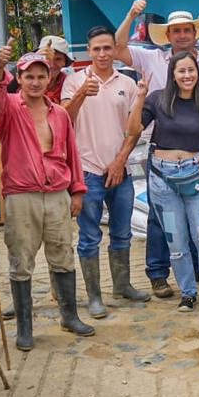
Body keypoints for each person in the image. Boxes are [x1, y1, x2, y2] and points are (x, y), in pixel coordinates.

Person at [0, 42, 94, 350]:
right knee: (21, 260)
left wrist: (77, 191)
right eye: (28, 76)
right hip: (22, 196)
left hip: (57, 194)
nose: (34, 82)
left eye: (40, 77)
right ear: (18, 78)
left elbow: (72, 153)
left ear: (49, 79)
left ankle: (69, 316)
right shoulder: (7, 109)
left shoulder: (58, 113)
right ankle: (25, 327)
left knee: (62, 255)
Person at [115, 0, 199, 297]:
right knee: (159, 217)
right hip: (161, 151)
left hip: (198, 151)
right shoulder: (151, 59)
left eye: (186, 30)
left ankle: (198, 273)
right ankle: (157, 272)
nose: (181, 35)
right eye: (175, 31)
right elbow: (117, 48)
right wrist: (130, 15)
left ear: (194, 33)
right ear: (168, 35)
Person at [61, 26, 151, 320]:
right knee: (89, 236)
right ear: (88, 51)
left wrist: (121, 160)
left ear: (115, 50)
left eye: (107, 48)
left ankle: (122, 285)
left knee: (121, 232)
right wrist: (80, 97)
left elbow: (133, 127)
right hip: (87, 171)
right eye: (96, 48)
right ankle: (94, 296)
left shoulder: (127, 82)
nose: (102, 54)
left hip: (119, 170)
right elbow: (63, 121)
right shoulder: (74, 82)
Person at [127, 50, 199, 313]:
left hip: (196, 176)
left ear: (197, 73)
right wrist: (139, 97)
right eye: (181, 71)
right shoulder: (158, 99)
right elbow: (133, 129)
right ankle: (188, 293)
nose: (187, 75)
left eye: (191, 70)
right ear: (172, 74)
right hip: (163, 178)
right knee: (176, 241)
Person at [7, 35, 71, 104]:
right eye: (46, 58)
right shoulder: (19, 80)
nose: (51, 65)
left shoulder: (70, 83)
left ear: (64, 62)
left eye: (58, 59)